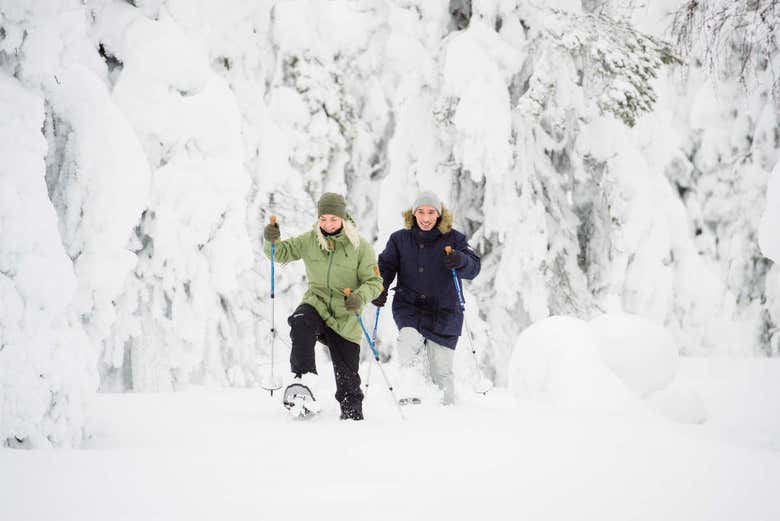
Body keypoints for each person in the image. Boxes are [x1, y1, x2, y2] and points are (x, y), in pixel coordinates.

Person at [263, 193, 383, 420]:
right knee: (300, 321)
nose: (328, 224)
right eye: (323, 219)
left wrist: (359, 296)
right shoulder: (311, 240)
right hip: (316, 304)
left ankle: (352, 419)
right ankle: (303, 381)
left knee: (349, 387)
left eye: (333, 219)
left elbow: (376, 283)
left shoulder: (360, 246)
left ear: (343, 218)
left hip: (345, 318)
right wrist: (271, 240)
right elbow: (279, 253)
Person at [373, 191, 481, 405]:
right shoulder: (400, 239)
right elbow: (385, 267)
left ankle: (446, 412)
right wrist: (379, 288)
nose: (425, 217)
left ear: (439, 215)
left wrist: (459, 260)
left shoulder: (454, 238)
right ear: (413, 214)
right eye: (420, 212)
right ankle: (411, 392)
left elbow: (474, 267)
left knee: (441, 372)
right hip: (409, 306)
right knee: (408, 341)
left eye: (431, 212)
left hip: (445, 312)